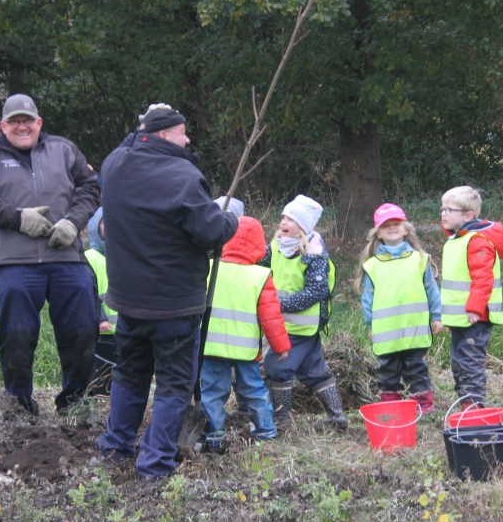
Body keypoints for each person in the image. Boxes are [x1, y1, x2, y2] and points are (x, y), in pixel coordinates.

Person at [96, 104, 239, 479]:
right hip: (174, 303)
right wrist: (230, 220)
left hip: (128, 299)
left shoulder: (114, 166)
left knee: (130, 373)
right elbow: (210, 232)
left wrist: (142, 124)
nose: (188, 139)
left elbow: (129, 145)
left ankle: (116, 446)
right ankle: (155, 462)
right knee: (174, 381)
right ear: (162, 135)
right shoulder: (182, 175)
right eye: (181, 132)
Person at [0, 93, 101, 416]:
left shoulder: (64, 150)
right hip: (13, 262)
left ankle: (75, 402)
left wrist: (73, 221)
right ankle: (19, 403)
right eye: (15, 122)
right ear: (3, 126)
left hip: (66, 257)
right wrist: (17, 218)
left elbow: (89, 188)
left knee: (82, 328)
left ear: (39, 123)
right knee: (17, 334)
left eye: (28, 120)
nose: (22, 126)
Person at [200, 216, 291, 453]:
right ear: (259, 245)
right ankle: (266, 433)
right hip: (246, 350)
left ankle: (213, 437)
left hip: (211, 347)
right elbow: (271, 317)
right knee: (254, 390)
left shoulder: (209, 269)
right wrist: (281, 347)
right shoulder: (259, 276)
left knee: (212, 392)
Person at [261, 195, 347, 429]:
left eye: (291, 218)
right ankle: (336, 416)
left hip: (298, 327)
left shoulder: (314, 253)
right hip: (283, 325)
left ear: (304, 226)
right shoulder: (276, 246)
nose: (284, 222)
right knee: (313, 369)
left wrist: (275, 305)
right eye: (283, 217)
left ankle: (281, 420)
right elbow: (258, 268)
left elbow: (316, 291)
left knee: (277, 368)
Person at [356, 203, 442, 413]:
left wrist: (436, 316)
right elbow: (368, 298)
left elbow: (432, 290)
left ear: (406, 230)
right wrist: (370, 324)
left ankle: (425, 408)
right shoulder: (373, 265)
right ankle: (391, 409)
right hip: (387, 333)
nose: (392, 228)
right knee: (387, 371)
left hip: (415, 329)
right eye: (386, 225)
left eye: (396, 224)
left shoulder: (419, 259)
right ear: (378, 233)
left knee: (417, 369)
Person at [439, 186, 503, 409]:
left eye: (450, 209)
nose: (443, 213)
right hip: (461, 318)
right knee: (458, 364)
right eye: (442, 208)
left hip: (476, 318)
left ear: (468, 215)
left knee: (470, 364)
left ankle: (473, 409)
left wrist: (475, 308)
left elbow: (483, 278)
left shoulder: (476, 241)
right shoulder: (455, 240)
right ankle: (464, 405)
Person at [84, 207, 117, 396]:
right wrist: (100, 318)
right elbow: (90, 292)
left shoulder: (124, 256)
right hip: (102, 330)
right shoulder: (90, 257)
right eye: (105, 223)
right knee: (100, 376)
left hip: (123, 330)